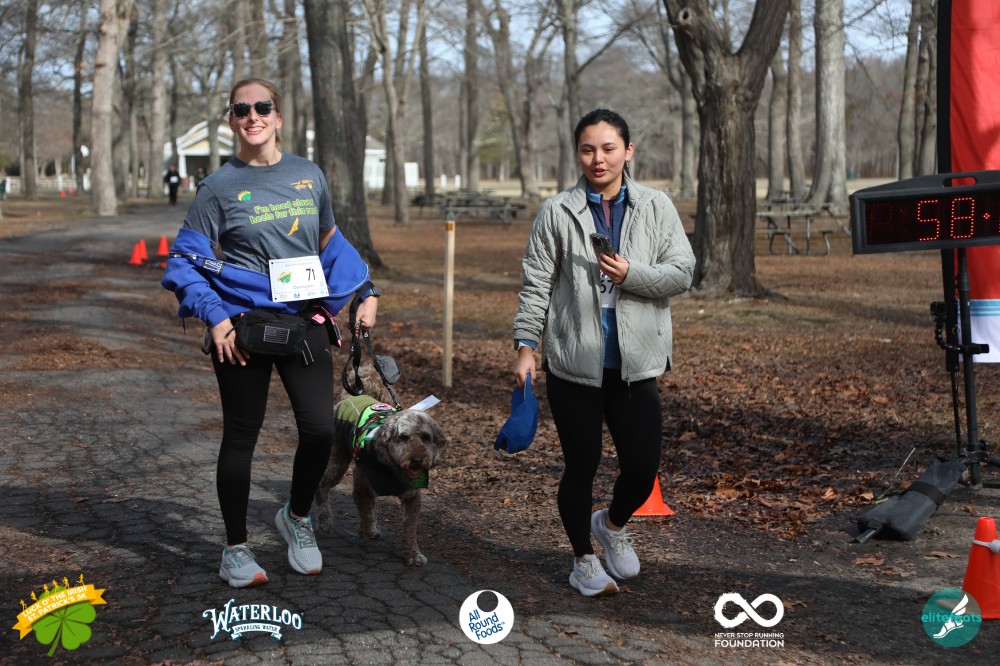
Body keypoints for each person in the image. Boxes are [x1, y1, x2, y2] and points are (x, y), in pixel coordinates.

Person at [161, 78, 380, 589]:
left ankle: (296, 517)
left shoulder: (308, 175)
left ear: (278, 117)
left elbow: (330, 242)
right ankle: (235, 549)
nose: (253, 116)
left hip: (303, 320)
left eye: (263, 107)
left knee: (320, 431)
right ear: (232, 120)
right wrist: (215, 318)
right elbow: (185, 260)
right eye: (242, 109)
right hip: (242, 330)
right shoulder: (217, 187)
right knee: (241, 438)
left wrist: (366, 289)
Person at [512, 108, 695, 597]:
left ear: (628, 151)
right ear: (578, 153)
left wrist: (632, 274)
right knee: (582, 465)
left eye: (609, 148)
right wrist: (526, 346)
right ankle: (583, 560)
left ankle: (610, 525)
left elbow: (682, 272)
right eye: (588, 149)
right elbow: (536, 285)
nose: (598, 158)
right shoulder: (557, 211)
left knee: (642, 468)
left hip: (635, 365)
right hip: (574, 363)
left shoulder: (656, 205)